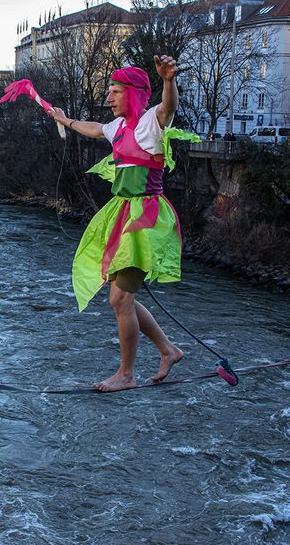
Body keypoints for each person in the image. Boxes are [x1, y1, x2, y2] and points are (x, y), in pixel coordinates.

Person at [47, 55, 198, 392]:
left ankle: (127, 374)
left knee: (120, 299)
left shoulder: (150, 123)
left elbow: (167, 108)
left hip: (145, 218)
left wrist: (168, 81)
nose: (109, 97)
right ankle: (168, 350)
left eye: (115, 91)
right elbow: (96, 129)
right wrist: (65, 120)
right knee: (121, 298)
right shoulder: (119, 128)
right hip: (124, 215)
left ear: (132, 93)